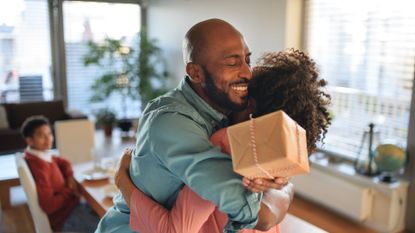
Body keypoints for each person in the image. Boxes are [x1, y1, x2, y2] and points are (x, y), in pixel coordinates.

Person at [96, 18, 291, 233]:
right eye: (232, 62)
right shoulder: (172, 122)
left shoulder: (230, 111)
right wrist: (279, 189)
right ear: (195, 72)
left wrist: (282, 184)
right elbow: (259, 215)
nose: (247, 72)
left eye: (247, 60)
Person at [114, 49, 331, 233]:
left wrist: (123, 183)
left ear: (250, 107)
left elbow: (175, 229)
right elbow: (268, 214)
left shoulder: (222, 147)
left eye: (242, 91)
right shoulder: (275, 161)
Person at [21, 115, 100, 232]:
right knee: (115, 225)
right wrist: (69, 190)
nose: (48, 139)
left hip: (71, 209)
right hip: (65, 220)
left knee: (110, 214)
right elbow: (48, 205)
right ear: (30, 140)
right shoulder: (39, 166)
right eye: (41, 135)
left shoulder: (40, 155)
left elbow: (63, 162)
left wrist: (69, 177)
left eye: (49, 134)